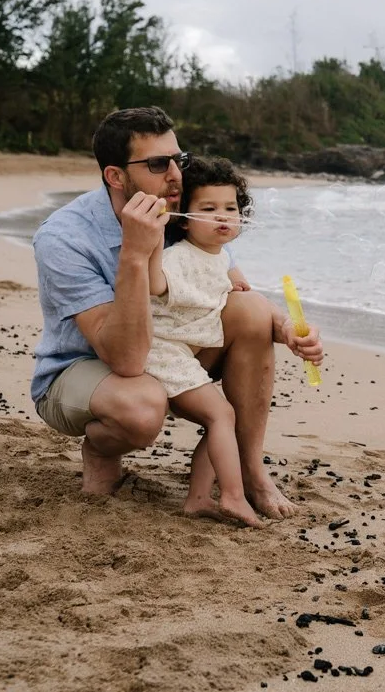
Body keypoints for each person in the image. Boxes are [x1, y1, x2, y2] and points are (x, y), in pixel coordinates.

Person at [30, 106, 322, 519]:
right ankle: (100, 447)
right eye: (157, 164)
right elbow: (126, 359)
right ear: (115, 176)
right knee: (142, 407)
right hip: (83, 369)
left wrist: (288, 328)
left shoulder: (185, 210)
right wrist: (135, 252)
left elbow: (234, 288)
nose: (175, 175)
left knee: (253, 313)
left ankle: (252, 472)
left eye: (178, 159)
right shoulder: (65, 238)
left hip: (169, 350)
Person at [146, 156, 268, 527]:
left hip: (189, 353)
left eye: (231, 208)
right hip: (164, 353)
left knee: (223, 418)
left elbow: (243, 295)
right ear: (184, 216)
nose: (223, 217)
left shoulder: (222, 258)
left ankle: (198, 499)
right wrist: (153, 234)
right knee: (223, 415)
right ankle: (231, 495)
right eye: (209, 209)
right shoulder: (178, 256)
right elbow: (154, 284)